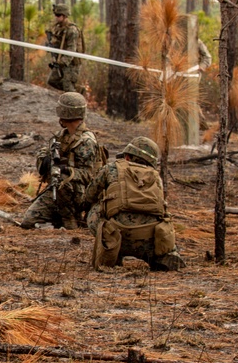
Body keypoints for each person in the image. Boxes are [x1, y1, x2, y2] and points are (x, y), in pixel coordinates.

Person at [82, 137, 185, 271]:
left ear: (128, 156)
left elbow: (89, 196)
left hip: (118, 235)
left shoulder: (111, 168)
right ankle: (163, 256)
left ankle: (110, 252)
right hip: (150, 240)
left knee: (95, 209)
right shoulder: (156, 177)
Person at [20, 92, 104, 229]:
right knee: (29, 221)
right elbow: (44, 151)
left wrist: (66, 170)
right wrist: (45, 160)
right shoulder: (62, 136)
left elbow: (90, 175)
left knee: (62, 180)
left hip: (78, 194)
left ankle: (71, 218)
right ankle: (60, 219)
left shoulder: (86, 142)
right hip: (58, 191)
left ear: (65, 113)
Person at [46, 4, 83, 93]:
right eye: (55, 15)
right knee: (52, 81)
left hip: (71, 63)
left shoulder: (72, 30)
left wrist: (62, 62)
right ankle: (77, 90)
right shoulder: (58, 28)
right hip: (60, 61)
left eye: (58, 15)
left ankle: (74, 103)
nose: (56, 17)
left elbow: (72, 49)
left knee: (68, 87)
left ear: (65, 16)